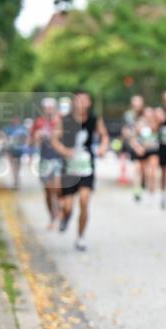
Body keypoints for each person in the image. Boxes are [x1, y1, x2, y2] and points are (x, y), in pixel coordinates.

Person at [51, 90, 109, 251]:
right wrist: (64, 150)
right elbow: (54, 139)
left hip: (86, 167)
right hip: (69, 168)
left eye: (85, 100)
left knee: (84, 201)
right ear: (73, 103)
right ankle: (66, 217)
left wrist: (103, 148)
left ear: (90, 103)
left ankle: (81, 237)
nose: (81, 103)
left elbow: (104, 136)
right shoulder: (65, 120)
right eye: (78, 100)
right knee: (68, 206)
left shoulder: (94, 120)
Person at [30, 98, 63, 229]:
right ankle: (52, 216)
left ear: (54, 108)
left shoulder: (60, 121)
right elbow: (31, 141)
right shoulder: (39, 123)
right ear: (43, 109)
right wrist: (37, 137)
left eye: (51, 107)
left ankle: (60, 211)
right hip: (44, 159)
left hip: (58, 158)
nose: (49, 110)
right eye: (46, 107)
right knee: (48, 192)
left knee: (57, 188)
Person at [128, 106, 160, 203]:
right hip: (141, 150)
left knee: (152, 171)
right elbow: (133, 138)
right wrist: (137, 147)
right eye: (147, 112)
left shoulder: (157, 123)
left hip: (153, 150)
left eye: (150, 112)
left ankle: (152, 192)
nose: (148, 114)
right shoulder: (140, 123)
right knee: (141, 171)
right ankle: (140, 188)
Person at [122, 94, 145, 200]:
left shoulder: (146, 114)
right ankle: (137, 189)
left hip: (146, 144)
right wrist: (135, 145)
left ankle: (144, 184)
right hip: (135, 144)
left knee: (144, 168)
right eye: (135, 102)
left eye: (139, 102)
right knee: (137, 167)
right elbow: (126, 132)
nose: (137, 105)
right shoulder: (128, 116)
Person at [3, 117, 29, 188]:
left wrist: (25, 145)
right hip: (11, 148)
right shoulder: (8, 128)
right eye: (14, 119)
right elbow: (5, 137)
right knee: (12, 163)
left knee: (18, 163)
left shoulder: (22, 128)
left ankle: (16, 176)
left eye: (16, 119)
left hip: (19, 149)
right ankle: (15, 177)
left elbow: (26, 137)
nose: (15, 121)